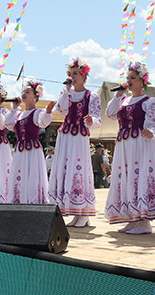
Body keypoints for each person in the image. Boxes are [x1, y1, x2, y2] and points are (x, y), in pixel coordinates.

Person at [104, 62, 155, 234]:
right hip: (124, 145)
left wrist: (151, 132)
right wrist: (118, 96)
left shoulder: (149, 101)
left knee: (139, 177)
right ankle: (132, 218)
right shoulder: (123, 100)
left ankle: (144, 222)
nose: (129, 81)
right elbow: (110, 113)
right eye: (128, 78)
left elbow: (153, 123)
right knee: (126, 178)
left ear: (142, 81)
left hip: (140, 144)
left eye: (133, 78)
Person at [49, 58, 102, 228]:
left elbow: (97, 119)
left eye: (76, 74)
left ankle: (84, 212)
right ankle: (74, 212)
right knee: (66, 170)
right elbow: (62, 110)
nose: (72, 77)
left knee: (79, 170)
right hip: (65, 137)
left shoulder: (91, 96)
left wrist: (91, 120)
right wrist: (66, 91)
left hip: (79, 138)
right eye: (71, 74)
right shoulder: (67, 93)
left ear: (84, 76)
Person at [6, 79, 53, 204]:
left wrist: (48, 112)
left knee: (32, 175)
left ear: (35, 96)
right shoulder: (18, 114)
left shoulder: (38, 113)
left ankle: (33, 202)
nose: (24, 94)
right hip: (20, 151)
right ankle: (19, 200)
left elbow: (43, 122)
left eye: (28, 92)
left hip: (32, 151)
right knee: (19, 174)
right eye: (23, 91)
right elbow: (8, 124)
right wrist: (14, 108)